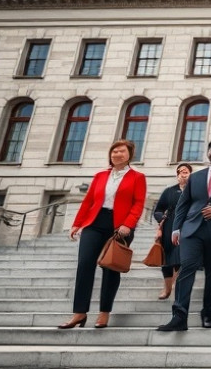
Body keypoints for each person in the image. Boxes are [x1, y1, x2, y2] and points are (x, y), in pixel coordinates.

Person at [157, 138, 211, 332]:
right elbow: (183, 204)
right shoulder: (196, 177)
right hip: (192, 230)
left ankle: (208, 314)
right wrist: (176, 228)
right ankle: (179, 317)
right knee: (186, 268)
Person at [58, 140, 147, 330]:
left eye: (122, 151)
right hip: (95, 223)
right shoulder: (100, 175)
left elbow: (138, 203)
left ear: (130, 155)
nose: (117, 154)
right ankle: (79, 313)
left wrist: (128, 224)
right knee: (84, 265)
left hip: (119, 227)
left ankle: (104, 313)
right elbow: (89, 200)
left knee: (111, 268)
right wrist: (77, 223)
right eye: (114, 151)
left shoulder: (137, 177)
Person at [152, 163, 192, 300]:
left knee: (180, 259)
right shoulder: (169, 191)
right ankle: (167, 288)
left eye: (186, 171)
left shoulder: (195, 191)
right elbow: (157, 210)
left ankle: (177, 287)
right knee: (167, 260)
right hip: (169, 227)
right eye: (180, 172)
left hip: (187, 227)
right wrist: (162, 219)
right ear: (177, 176)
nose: (183, 173)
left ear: (191, 175)